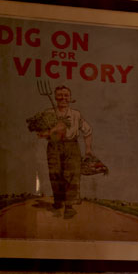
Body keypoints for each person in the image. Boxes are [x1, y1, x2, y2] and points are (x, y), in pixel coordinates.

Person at [33, 85, 93, 219]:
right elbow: (40, 133)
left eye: (66, 95)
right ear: (55, 97)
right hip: (54, 146)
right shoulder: (48, 113)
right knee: (55, 174)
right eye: (60, 95)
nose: (63, 98)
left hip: (72, 146)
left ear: (70, 98)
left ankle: (69, 206)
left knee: (72, 175)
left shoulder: (76, 114)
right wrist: (52, 131)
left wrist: (88, 148)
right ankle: (58, 200)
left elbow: (88, 131)